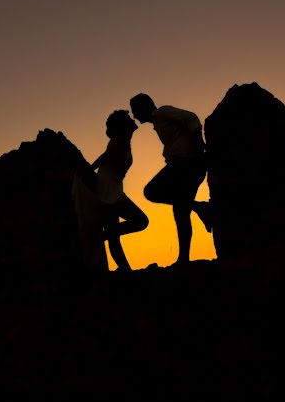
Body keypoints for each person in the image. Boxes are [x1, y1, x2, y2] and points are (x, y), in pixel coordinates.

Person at [129, 93, 213, 266]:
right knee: (181, 213)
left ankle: (200, 208)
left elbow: (192, 118)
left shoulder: (162, 112)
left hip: (185, 163)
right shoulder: (159, 121)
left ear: (143, 107)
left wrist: (198, 147)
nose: (134, 116)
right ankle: (183, 259)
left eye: (135, 110)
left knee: (151, 191)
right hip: (184, 164)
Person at [73, 110, 149, 271]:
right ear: (123, 125)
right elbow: (107, 155)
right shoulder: (120, 139)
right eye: (129, 119)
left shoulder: (122, 140)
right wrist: (90, 168)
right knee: (141, 221)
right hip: (109, 190)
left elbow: (107, 155)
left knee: (114, 238)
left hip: (109, 189)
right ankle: (103, 239)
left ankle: (126, 270)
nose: (133, 120)